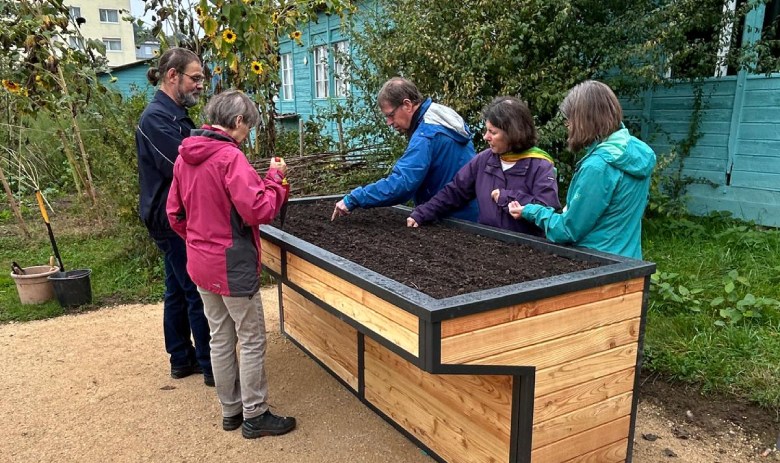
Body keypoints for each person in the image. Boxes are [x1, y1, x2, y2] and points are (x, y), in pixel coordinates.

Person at [166, 90, 296, 438]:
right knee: (251, 338)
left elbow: (174, 214)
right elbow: (259, 210)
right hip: (232, 264)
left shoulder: (184, 158)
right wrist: (276, 179)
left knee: (220, 337)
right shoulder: (229, 158)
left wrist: (198, 240)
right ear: (238, 121)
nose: (247, 133)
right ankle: (255, 413)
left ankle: (231, 410)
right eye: (248, 126)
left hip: (200, 263)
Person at [508, 80, 657, 259]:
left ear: (583, 120)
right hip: (630, 262)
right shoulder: (636, 152)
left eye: (570, 119)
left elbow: (568, 230)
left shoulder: (598, 167)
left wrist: (531, 211)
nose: (568, 126)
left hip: (597, 265)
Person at [135, 47, 214, 386]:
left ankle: (182, 358)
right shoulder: (156, 119)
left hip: (173, 213)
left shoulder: (174, 115)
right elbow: (184, 166)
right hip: (170, 218)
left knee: (177, 290)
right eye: (195, 78)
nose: (200, 85)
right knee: (195, 289)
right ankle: (213, 367)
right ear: (172, 76)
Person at [331, 77, 478, 222]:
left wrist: (355, 198)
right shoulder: (442, 117)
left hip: (452, 220)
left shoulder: (426, 135)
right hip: (471, 214)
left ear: (407, 105)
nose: (389, 122)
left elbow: (402, 184)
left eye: (390, 115)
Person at [407, 96, 560, 234]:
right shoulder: (484, 160)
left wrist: (506, 197)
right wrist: (422, 213)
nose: (486, 137)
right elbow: (454, 192)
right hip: (486, 246)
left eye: (492, 132)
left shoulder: (540, 165)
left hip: (528, 251)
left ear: (513, 133)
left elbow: (547, 211)